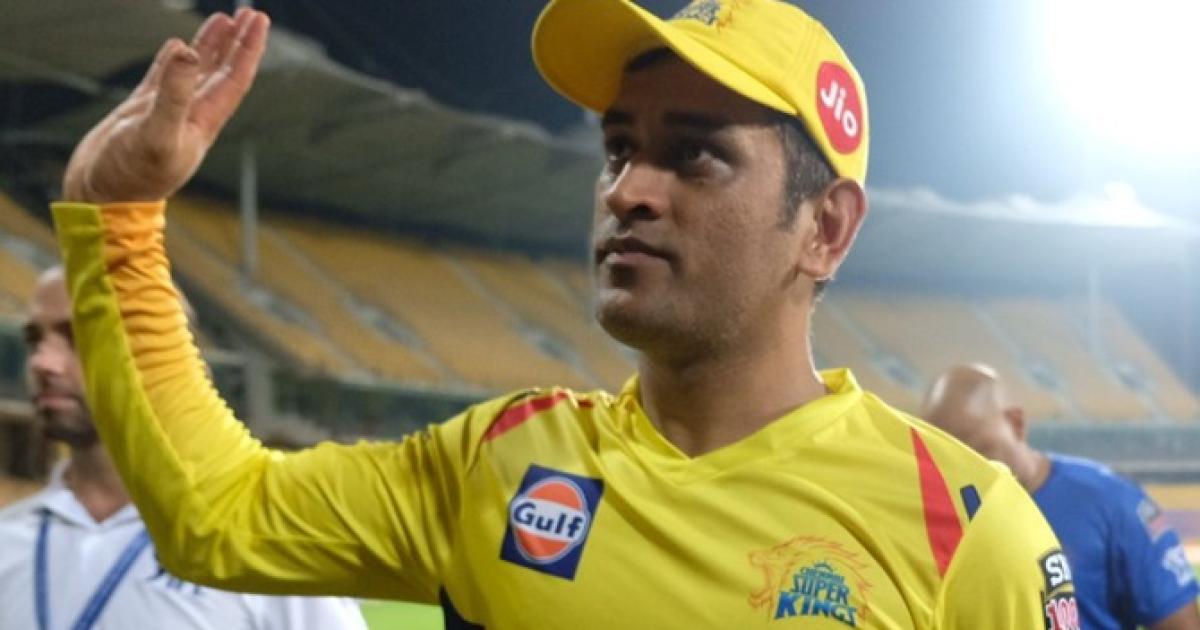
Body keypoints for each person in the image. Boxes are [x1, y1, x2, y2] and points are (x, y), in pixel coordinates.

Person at [50, 1, 1079, 628]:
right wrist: (118, 222)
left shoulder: (966, 529)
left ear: (826, 228)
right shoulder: (497, 461)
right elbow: (216, 514)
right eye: (620, 147)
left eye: (696, 154)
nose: (629, 189)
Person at [0, 266, 368, 630]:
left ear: (162, 360)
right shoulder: (8, 539)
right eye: (34, 340)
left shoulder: (263, 544)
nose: (41, 362)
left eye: (79, 337)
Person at [923, 363, 1200, 630]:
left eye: (977, 452)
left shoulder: (1112, 502)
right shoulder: (926, 515)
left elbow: (1181, 624)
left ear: (1016, 423)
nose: (963, 472)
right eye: (943, 460)